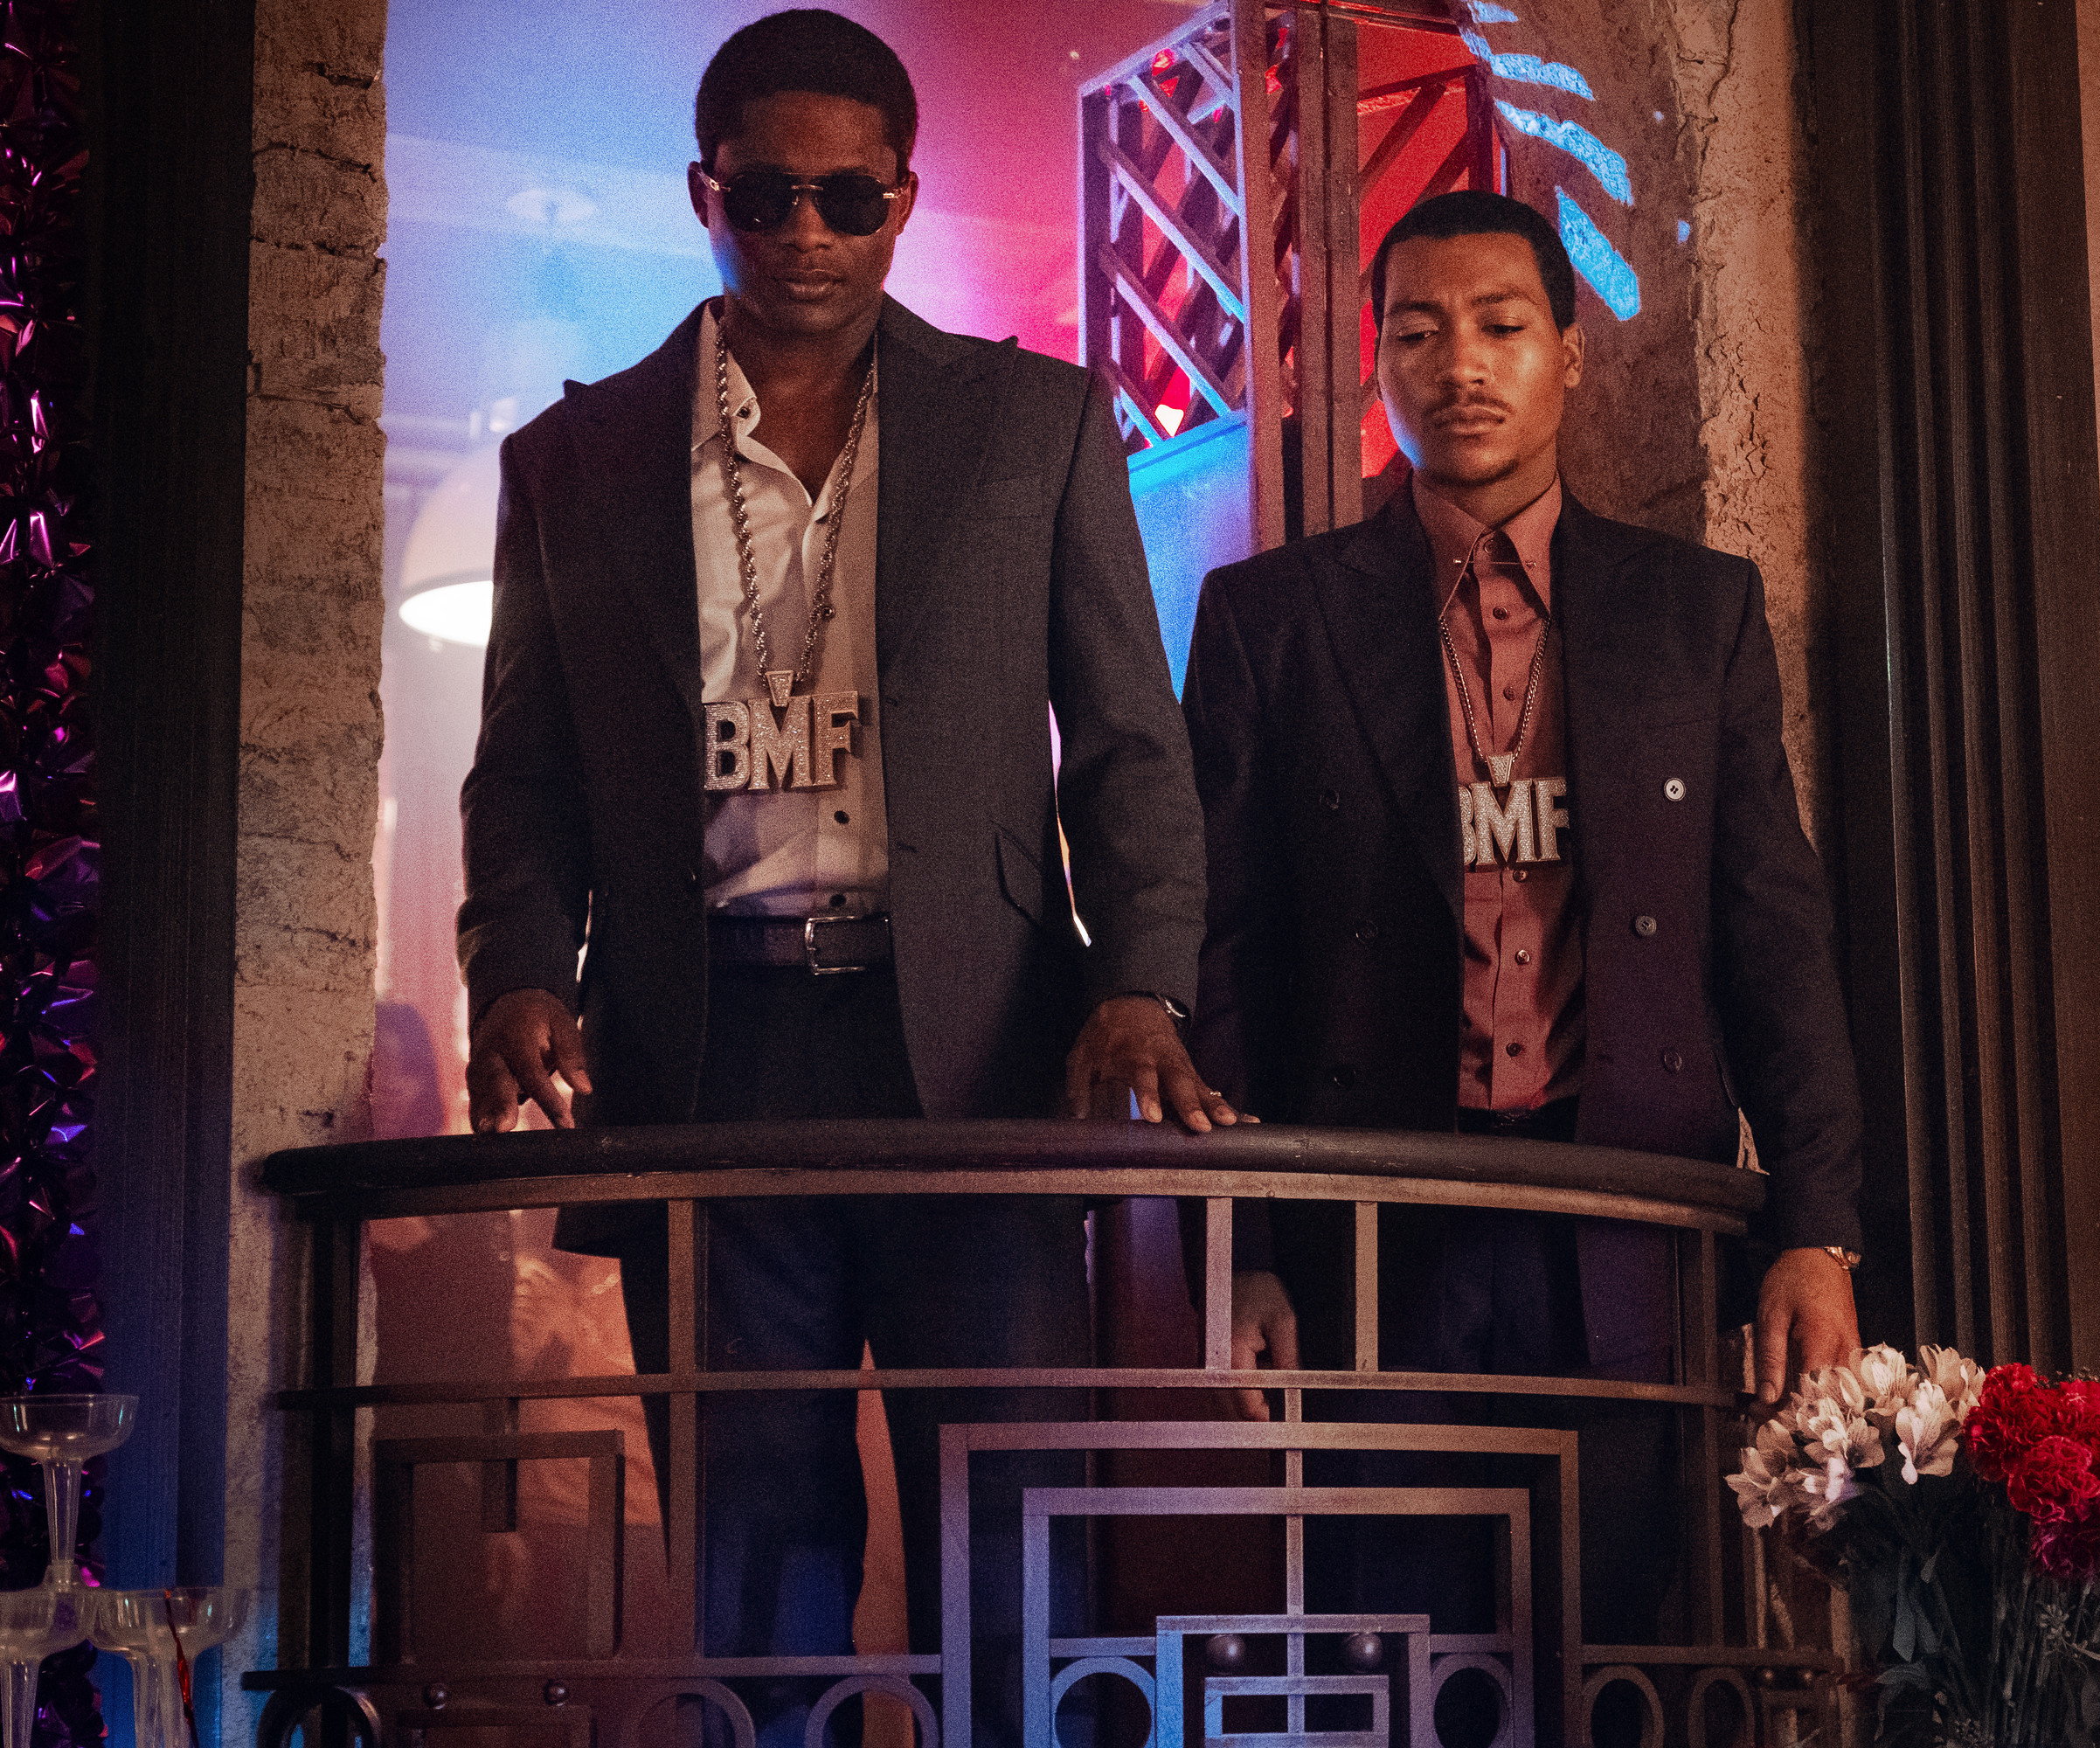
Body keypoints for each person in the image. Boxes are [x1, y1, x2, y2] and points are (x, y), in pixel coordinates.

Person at [454, 13, 1230, 1744]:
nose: (805, 232)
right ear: (703, 194)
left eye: (847, 198)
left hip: (976, 1053)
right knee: (751, 1566)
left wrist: (1141, 982)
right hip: (708, 1057)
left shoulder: (1034, 424)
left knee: (1012, 1541)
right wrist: (518, 967)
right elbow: (528, 774)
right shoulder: (570, 461)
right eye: (765, 196)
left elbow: (1128, 738)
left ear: (903, 198)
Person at [1181, 190, 1866, 1673]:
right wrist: (1237, 1247)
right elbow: (1222, 957)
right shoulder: (1269, 621)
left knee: (1619, 1649)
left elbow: (1772, 932)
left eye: (1501, 326)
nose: (1460, 367)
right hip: (1375, 1222)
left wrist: (1815, 1227)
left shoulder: (1694, 613)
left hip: (1626, 1216)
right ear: (1375, 364)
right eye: (1416, 334)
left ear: (1571, 352)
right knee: (1385, 1649)